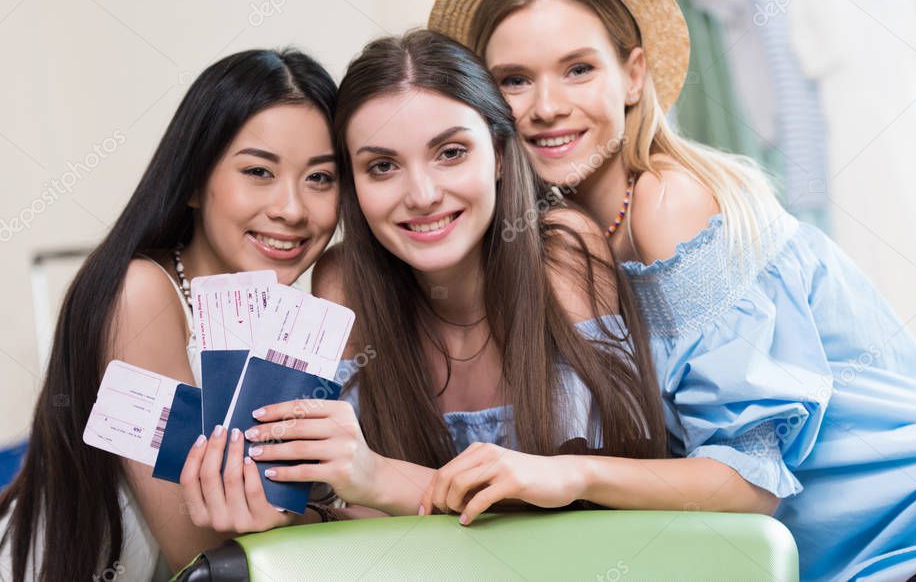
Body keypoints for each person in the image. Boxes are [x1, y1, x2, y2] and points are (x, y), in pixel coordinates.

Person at [428, 0, 916, 582]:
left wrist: (567, 474)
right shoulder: (552, 245)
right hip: (804, 556)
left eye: (578, 69)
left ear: (631, 75)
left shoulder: (667, 201)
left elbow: (750, 479)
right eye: (514, 80)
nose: (546, 106)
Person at [199, 30, 694, 527]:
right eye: (382, 166)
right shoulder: (344, 281)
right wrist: (281, 518)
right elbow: (369, 525)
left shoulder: (561, 249)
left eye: (451, 153)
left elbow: (592, 510)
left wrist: (380, 476)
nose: (422, 194)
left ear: (500, 154)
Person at [0, 48, 340, 581]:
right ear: (193, 184)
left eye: (320, 178)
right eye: (258, 171)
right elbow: (199, 552)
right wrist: (332, 502)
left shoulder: (288, 316)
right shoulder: (141, 294)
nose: (292, 209)